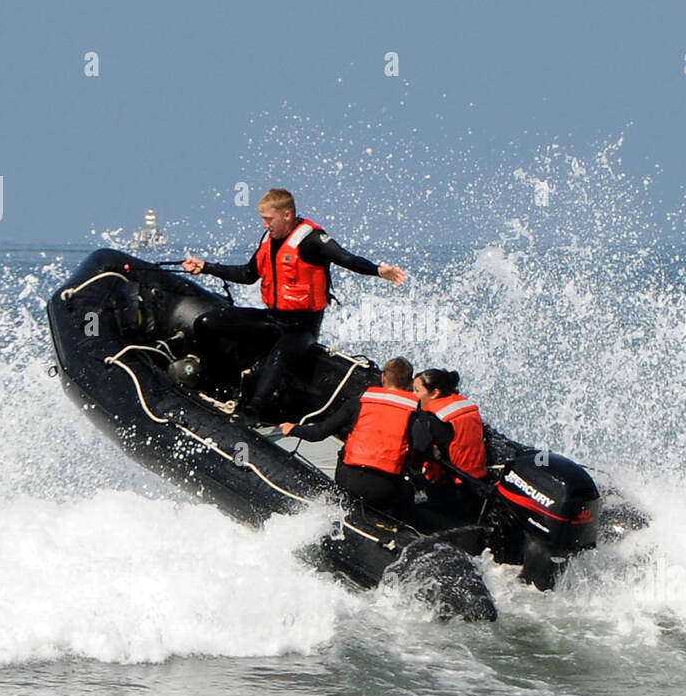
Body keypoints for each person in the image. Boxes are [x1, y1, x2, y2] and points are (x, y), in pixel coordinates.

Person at [182, 189, 406, 423]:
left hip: (302, 327)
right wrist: (205, 266)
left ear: (287, 215)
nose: (264, 225)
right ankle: (215, 383)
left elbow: (347, 259)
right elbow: (247, 274)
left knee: (278, 356)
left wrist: (379, 271)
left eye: (268, 219)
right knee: (207, 322)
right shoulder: (269, 242)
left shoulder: (312, 240)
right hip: (272, 318)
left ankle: (253, 410)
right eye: (263, 219)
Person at [280, 357, 450, 513]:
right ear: (409, 383)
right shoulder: (415, 414)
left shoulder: (358, 403)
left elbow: (318, 433)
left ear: (383, 378)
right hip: (384, 487)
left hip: (347, 480)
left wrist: (293, 429)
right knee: (408, 492)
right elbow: (422, 446)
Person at [413, 368, 489, 515]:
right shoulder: (464, 405)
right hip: (479, 482)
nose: (413, 395)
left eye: (417, 391)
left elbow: (418, 451)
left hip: (453, 491)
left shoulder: (432, 420)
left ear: (435, 393)